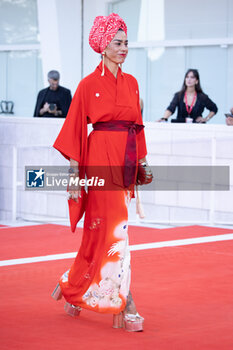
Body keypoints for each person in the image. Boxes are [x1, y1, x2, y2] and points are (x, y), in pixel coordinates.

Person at [51, 13, 152, 332]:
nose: (123, 48)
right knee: (112, 232)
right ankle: (125, 301)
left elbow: (137, 126)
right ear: (102, 46)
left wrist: (143, 162)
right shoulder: (87, 84)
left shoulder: (133, 83)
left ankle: (71, 286)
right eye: (117, 43)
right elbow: (74, 129)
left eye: (126, 43)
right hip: (98, 158)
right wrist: (74, 175)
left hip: (125, 160)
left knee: (102, 233)